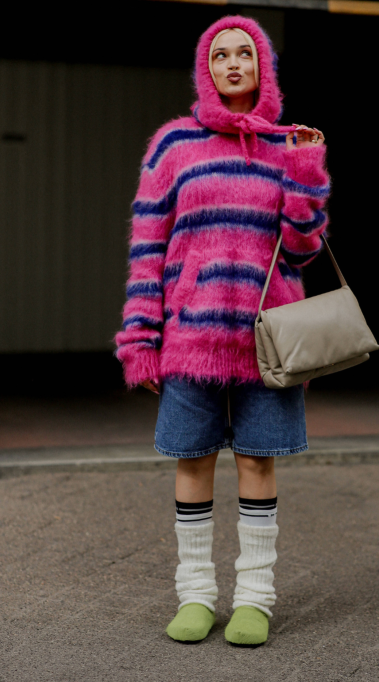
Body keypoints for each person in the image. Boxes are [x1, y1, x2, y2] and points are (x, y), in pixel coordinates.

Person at [114, 16, 328, 647]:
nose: (233, 64)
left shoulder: (290, 143)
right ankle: (196, 595)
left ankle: (255, 599)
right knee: (193, 463)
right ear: (205, 70)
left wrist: (308, 169)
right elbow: (147, 249)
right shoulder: (173, 145)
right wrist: (138, 341)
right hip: (189, 338)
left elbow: (304, 247)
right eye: (220, 56)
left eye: (245, 54)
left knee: (259, 463)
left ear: (263, 64)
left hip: (268, 342)